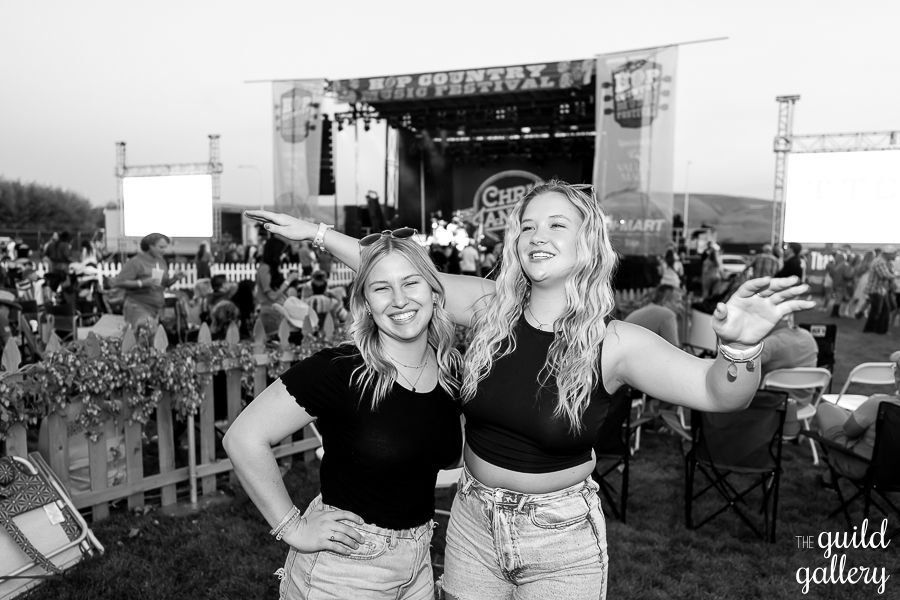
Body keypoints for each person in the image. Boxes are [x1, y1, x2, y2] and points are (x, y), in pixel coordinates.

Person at [246, 180, 815, 600]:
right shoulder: (492, 310)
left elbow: (720, 393)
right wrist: (318, 233)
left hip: (559, 536)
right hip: (471, 522)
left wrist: (739, 349)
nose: (537, 235)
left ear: (588, 244)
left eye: (556, 224)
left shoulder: (616, 343)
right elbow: (408, 275)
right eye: (526, 225)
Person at [224, 230, 463, 600]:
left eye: (411, 282)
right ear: (366, 302)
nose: (399, 300)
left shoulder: (450, 371)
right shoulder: (342, 369)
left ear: (435, 291)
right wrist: (293, 528)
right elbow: (243, 437)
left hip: (418, 561)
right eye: (381, 288)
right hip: (345, 567)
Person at [814, 351, 900, 479]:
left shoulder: (879, 404)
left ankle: (830, 476)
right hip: (896, 472)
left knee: (825, 408)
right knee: (853, 418)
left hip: (864, 467)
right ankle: (828, 479)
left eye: (896, 368)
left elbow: (849, 431)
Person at [759, 313, 818, 438]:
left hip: (775, 404)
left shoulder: (771, 344)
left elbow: (741, 364)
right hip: (804, 402)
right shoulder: (809, 337)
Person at [112, 233, 185, 329]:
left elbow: (163, 284)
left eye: (165, 247)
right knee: (144, 334)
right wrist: (141, 283)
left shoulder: (161, 261)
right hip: (138, 306)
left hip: (155, 309)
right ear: (150, 246)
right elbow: (119, 282)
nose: (164, 251)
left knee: (150, 338)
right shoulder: (136, 262)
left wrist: (175, 278)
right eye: (161, 247)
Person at [862, 246, 897, 334]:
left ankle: (877, 330)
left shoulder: (883, 261)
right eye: (894, 254)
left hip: (879, 290)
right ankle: (873, 330)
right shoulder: (880, 262)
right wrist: (896, 275)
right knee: (878, 311)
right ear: (888, 254)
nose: (895, 255)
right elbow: (885, 275)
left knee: (881, 310)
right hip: (875, 290)